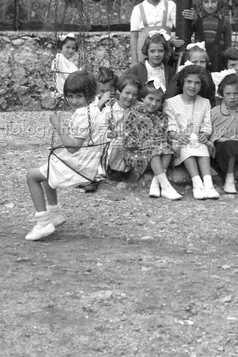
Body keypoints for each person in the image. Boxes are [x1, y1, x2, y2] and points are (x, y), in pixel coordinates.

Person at [24, 71, 107, 241]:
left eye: (78, 96)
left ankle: (43, 223)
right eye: (70, 96)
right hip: (87, 161)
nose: (74, 101)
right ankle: (55, 214)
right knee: (48, 172)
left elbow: (72, 148)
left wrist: (58, 126)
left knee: (32, 176)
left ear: (89, 95)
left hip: (79, 165)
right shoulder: (93, 110)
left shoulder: (83, 116)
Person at [165, 65, 219, 200]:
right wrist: (177, 135)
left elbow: (207, 124)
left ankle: (208, 183)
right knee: (189, 139)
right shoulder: (170, 103)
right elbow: (171, 126)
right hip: (180, 140)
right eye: (189, 82)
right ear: (182, 81)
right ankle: (197, 183)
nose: (192, 86)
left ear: (202, 85)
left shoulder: (205, 102)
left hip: (198, 141)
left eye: (197, 83)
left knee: (197, 139)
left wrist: (205, 134)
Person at [124, 85, 182, 201]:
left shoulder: (161, 117)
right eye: (150, 98)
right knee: (155, 150)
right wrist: (145, 144)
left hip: (158, 150)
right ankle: (166, 186)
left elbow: (164, 137)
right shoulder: (132, 114)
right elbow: (128, 138)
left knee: (168, 149)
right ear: (142, 98)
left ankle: (156, 184)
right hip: (137, 152)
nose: (154, 103)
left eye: (158, 100)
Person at [211, 74, 238, 194]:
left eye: (235, 93)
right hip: (222, 148)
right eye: (228, 94)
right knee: (231, 145)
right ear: (222, 94)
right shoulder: (215, 112)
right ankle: (229, 179)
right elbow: (211, 136)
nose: (232, 97)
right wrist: (227, 139)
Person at [130, 0, 184, 65]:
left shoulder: (170, 6)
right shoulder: (138, 9)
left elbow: (180, 28)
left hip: (165, 54)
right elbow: (134, 37)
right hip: (145, 55)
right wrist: (134, 61)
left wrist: (172, 41)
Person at [181, 0, 232, 71]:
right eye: (206, 2)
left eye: (213, 2)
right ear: (201, 1)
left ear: (218, 1)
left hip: (218, 60)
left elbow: (228, 46)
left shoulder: (224, 21)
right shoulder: (197, 19)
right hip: (200, 58)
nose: (210, 5)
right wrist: (193, 21)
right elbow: (187, 36)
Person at [101, 74, 140, 179]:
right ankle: (114, 170)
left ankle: (132, 170)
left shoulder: (139, 108)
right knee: (118, 143)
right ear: (119, 92)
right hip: (115, 142)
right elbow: (102, 129)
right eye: (127, 93)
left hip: (134, 141)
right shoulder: (110, 110)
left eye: (134, 94)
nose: (130, 97)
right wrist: (109, 133)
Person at [52, 33, 79, 101]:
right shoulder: (59, 58)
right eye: (68, 47)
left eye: (73, 48)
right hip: (65, 89)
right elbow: (67, 76)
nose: (70, 50)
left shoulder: (68, 61)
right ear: (61, 47)